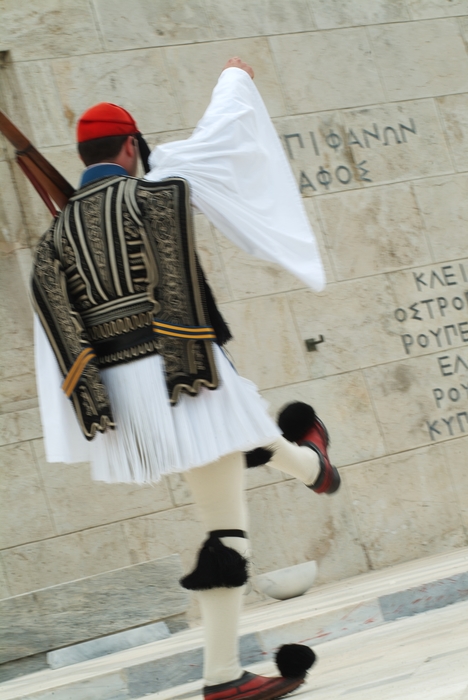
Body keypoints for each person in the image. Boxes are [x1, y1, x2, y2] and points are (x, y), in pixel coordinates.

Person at [32, 57, 340, 700]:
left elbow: (59, 334)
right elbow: (222, 135)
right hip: (188, 377)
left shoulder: (55, 237)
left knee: (243, 435)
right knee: (225, 530)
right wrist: (235, 76)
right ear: (129, 146)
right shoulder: (158, 187)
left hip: (127, 395)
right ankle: (223, 678)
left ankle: (315, 468)